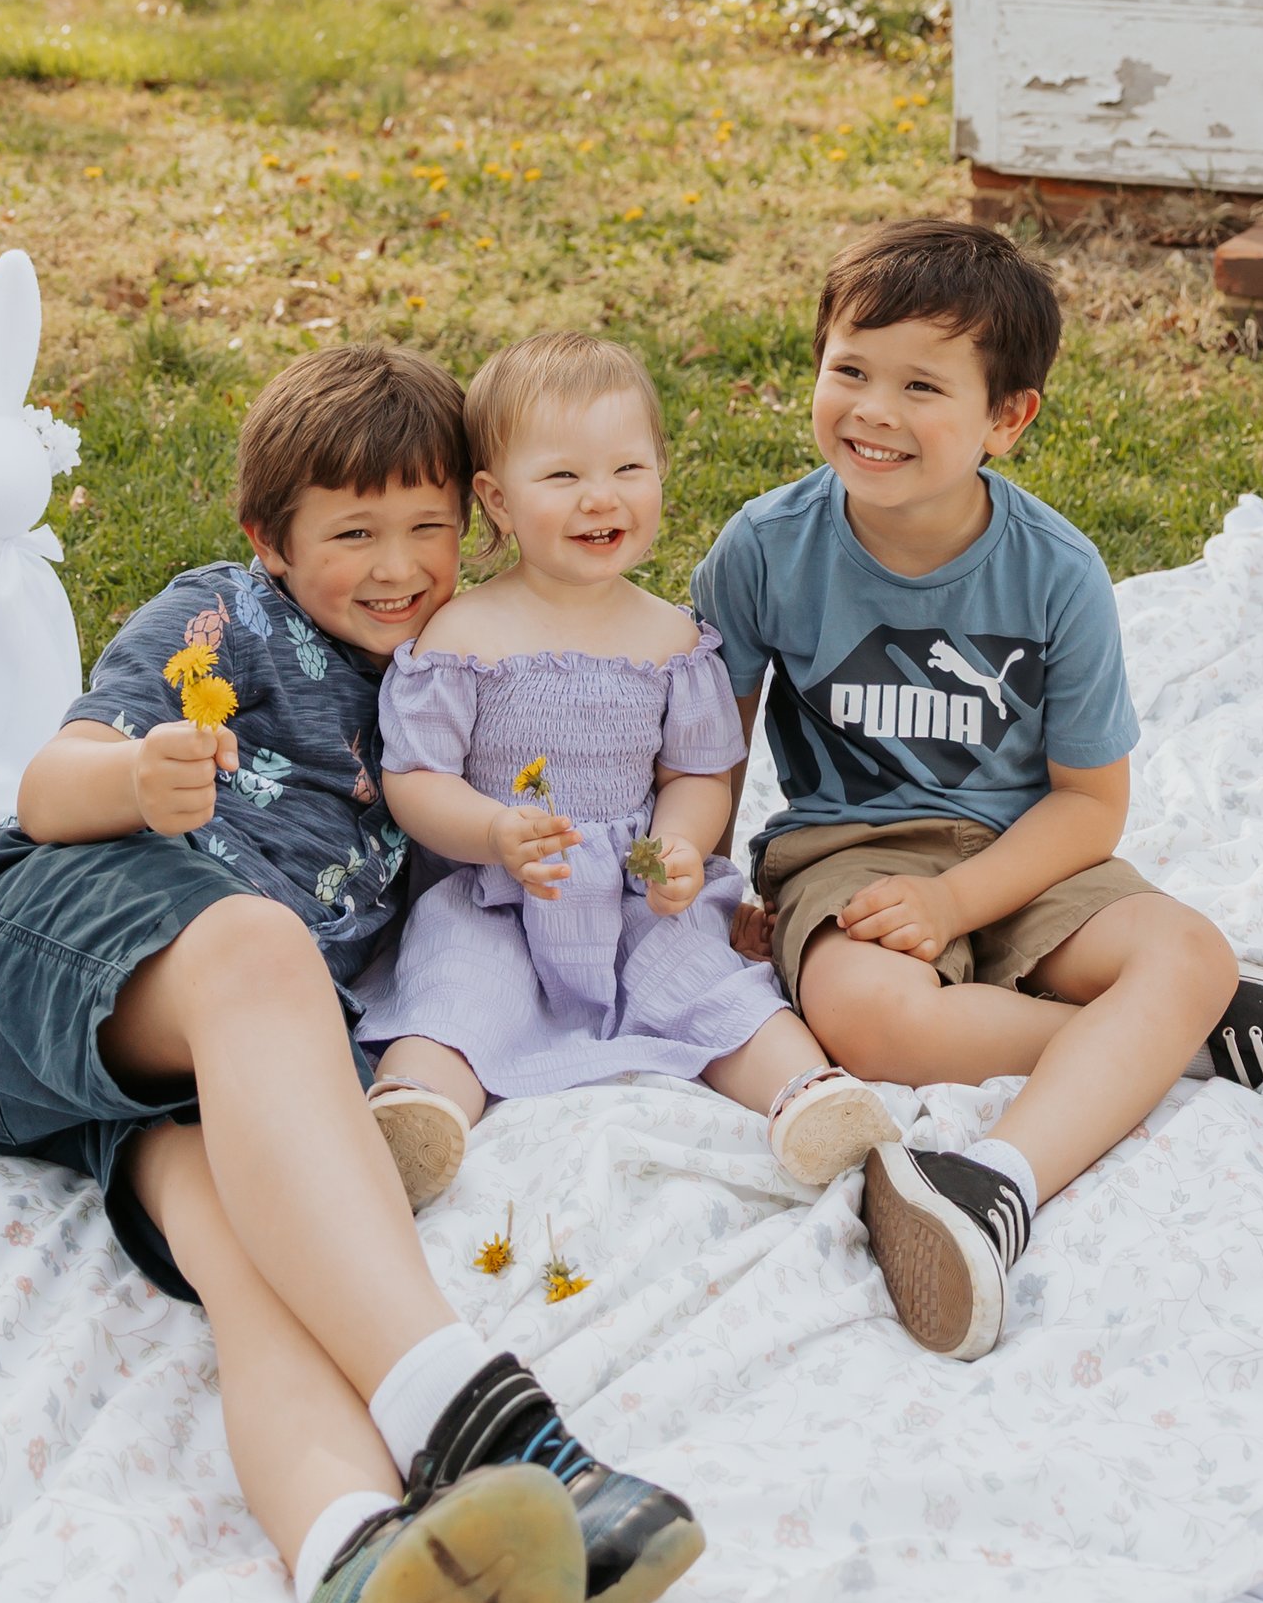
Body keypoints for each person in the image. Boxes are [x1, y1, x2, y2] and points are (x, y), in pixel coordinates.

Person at [0, 341, 705, 1603]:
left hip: (185, 1066)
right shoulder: (219, 618)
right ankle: (490, 1420)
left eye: (426, 529)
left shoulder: (461, 672)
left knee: (265, 1272)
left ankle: (350, 1585)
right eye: (351, 533)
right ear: (267, 542)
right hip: (46, 948)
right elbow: (46, 784)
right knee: (260, 944)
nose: (398, 566)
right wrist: (139, 777)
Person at [694, 218, 1263, 1363]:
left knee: (1184, 951)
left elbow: (1089, 803)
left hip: (1027, 850)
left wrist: (962, 903)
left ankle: (992, 1181)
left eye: (921, 386)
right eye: (849, 370)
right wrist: (709, 888)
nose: (872, 411)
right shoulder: (763, 549)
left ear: (1006, 419)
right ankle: (1188, 1043)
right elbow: (709, 751)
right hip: (848, 858)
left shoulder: (1055, 571)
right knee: (865, 1020)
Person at [357, 330, 898, 1215]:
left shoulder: (670, 641)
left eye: (628, 469)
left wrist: (681, 846)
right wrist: (492, 832)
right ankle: (415, 1113)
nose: (599, 498)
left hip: (630, 890)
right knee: (459, 988)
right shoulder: (463, 638)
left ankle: (805, 1094)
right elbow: (416, 777)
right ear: (494, 499)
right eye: (563, 477)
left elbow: (696, 772)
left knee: (709, 985)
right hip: (498, 889)